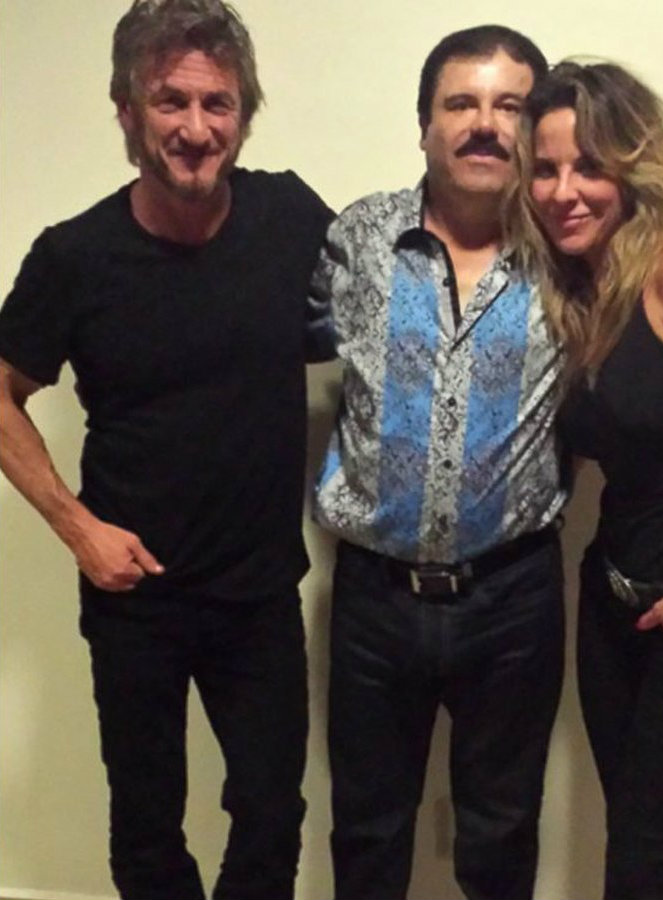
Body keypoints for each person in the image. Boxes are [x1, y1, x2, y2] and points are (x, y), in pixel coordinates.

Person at [0, 1, 333, 898]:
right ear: (126, 111)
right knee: (147, 827)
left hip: (259, 592)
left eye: (217, 103)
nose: (195, 128)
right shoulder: (74, 257)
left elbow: (383, 302)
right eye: (169, 101)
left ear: (243, 114)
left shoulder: (289, 215)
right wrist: (79, 530)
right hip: (134, 596)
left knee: (270, 814)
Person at [310, 25, 567, 900]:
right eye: (460, 103)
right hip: (373, 599)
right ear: (423, 124)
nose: (484, 124)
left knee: (501, 831)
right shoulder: (356, 239)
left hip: (513, 595)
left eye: (509, 106)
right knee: (367, 828)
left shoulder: (570, 248)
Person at [505, 60, 663, 899]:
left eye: (589, 166)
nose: (563, 191)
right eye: (545, 169)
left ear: (634, 166)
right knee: (635, 849)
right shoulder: (583, 291)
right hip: (615, 606)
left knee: (645, 861)